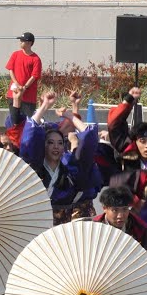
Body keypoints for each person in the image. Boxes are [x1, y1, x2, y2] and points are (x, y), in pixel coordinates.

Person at [19, 90, 100, 222]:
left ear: (64, 147)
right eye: (50, 143)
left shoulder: (70, 170)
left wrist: (69, 115)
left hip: (64, 229)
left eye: (60, 143)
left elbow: (89, 140)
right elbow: (29, 140)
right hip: (37, 224)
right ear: (43, 146)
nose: (56, 146)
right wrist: (45, 105)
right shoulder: (34, 170)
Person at [4, 32, 42, 128]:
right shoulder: (15, 54)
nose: (20, 42)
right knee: (14, 121)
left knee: (26, 123)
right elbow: (11, 70)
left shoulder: (36, 59)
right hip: (14, 94)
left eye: (22, 40)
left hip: (28, 97)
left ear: (29, 43)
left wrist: (24, 87)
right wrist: (17, 84)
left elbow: (34, 76)